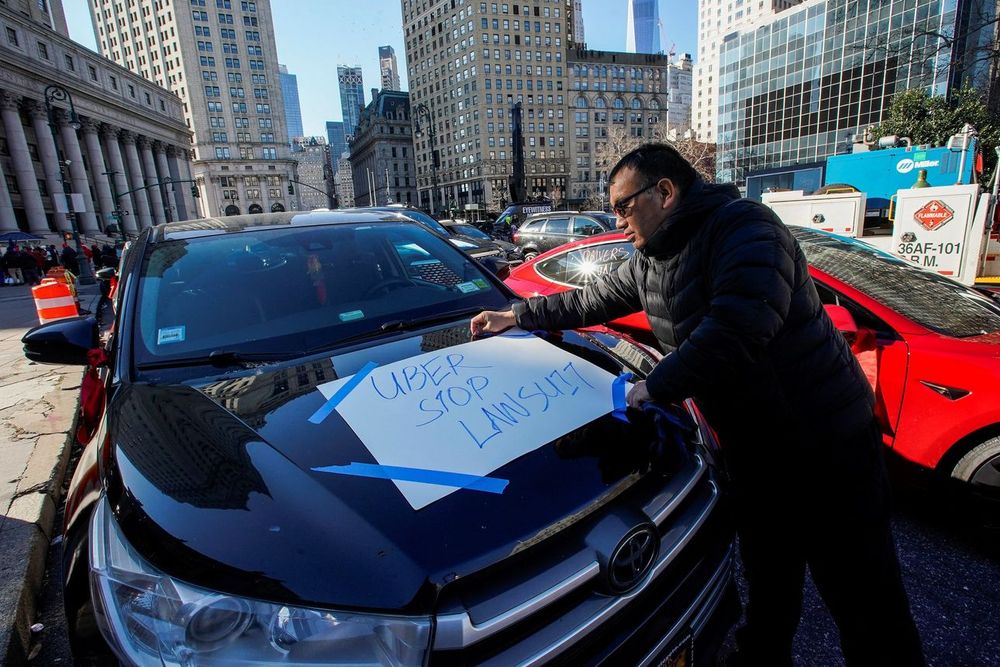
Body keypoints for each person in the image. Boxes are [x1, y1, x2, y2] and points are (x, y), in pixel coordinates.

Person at [470, 143, 924, 666]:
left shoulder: (746, 228)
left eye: (622, 206)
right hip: (755, 451)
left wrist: (655, 385)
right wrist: (518, 315)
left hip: (825, 447)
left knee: (865, 600)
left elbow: (737, 330)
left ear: (665, 192)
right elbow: (589, 299)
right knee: (769, 578)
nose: (618, 222)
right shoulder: (650, 256)